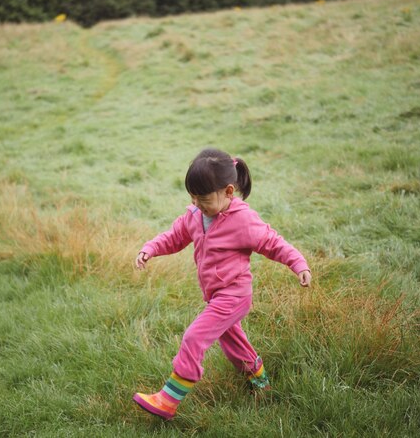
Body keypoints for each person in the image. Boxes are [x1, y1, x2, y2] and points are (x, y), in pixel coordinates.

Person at [133, 148, 312, 420]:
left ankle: (168, 399)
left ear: (229, 192)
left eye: (203, 198)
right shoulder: (195, 214)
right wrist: (150, 249)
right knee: (234, 344)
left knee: (194, 337)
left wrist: (298, 264)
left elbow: (273, 243)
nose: (196, 202)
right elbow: (174, 237)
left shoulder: (243, 220)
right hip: (216, 295)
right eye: (192, 196)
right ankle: (262, 385)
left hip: (235, 294)